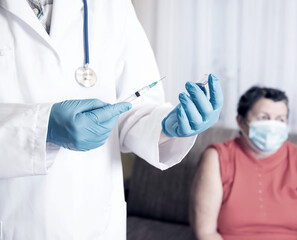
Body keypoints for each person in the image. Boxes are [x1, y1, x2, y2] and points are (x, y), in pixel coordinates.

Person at [0, 1, 223, 239]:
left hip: (93, 218)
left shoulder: (112, 6)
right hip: (12, 215)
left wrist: (167, 126)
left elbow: (136, 107)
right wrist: (42, 128)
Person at [190, 86, 297, 240]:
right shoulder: (217, 158)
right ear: (240, 121)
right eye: (263, 117)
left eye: (280, 119)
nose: (272, 126)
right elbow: (206, 232)